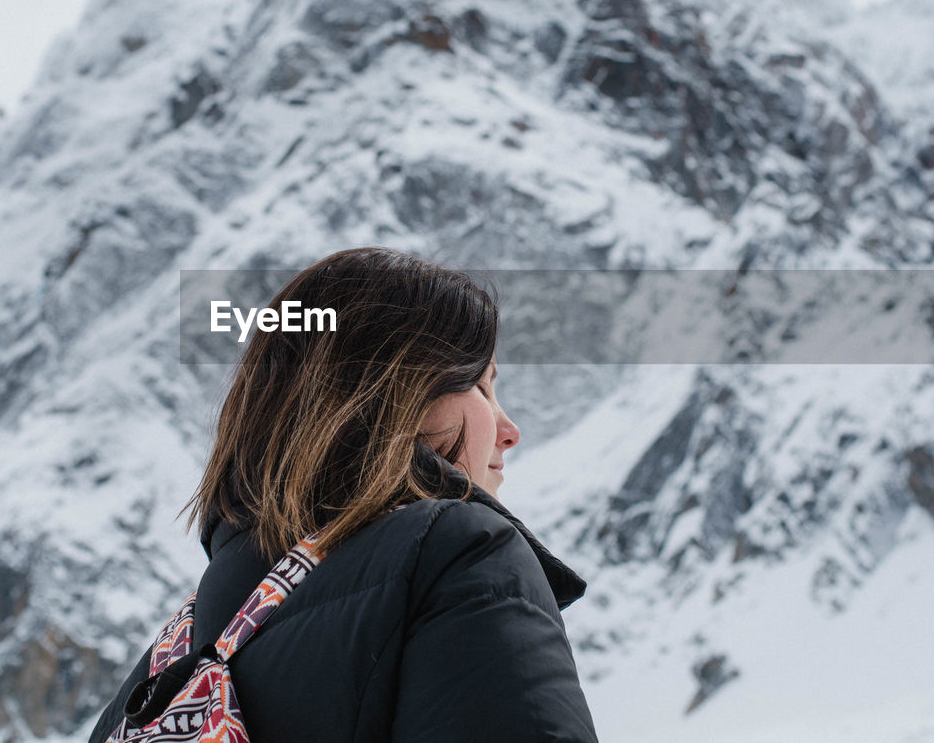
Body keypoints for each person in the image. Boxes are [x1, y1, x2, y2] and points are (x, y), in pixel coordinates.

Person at [88, 247, 598, 742]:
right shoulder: (458, 552)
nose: (509, 430)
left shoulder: (164, 666)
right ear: (398, 394)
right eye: (481, 387)